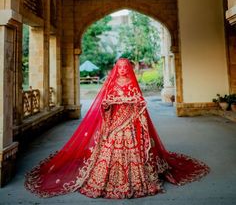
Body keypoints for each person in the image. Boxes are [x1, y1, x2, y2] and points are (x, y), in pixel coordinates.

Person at [25, 58, 209, 199]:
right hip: (114, 125)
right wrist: (110, 103)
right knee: (108, 151)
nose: (121, 70)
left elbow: (139, 102)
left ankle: (138, 181)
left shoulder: (132, 83)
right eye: (119, 67)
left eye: (124, 67)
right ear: (116, 69)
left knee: (134, 151)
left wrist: (130, 102)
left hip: (129, 125)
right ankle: (106, 181)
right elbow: (104, 104)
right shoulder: (111, 83)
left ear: (128, 69)